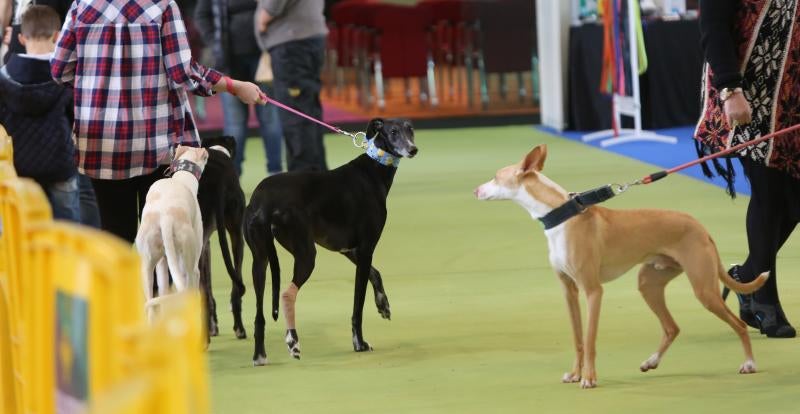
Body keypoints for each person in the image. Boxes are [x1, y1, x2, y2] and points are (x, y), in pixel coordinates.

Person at [51, 0, 266, 243]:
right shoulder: (162, 6)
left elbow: (59, 69)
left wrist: (94, 88)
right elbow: (182, 72)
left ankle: (120, 281)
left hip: (101, 141)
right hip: (155, 140)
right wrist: (234, 86)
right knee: (159, 238)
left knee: (115, 234)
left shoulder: (82, 5)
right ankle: (153, 283)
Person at [696, 0, 799, 338]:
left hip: (793, 93)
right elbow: (713, 24)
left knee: (795, 200)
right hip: (748, 92)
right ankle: (765, 298)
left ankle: (749, 275)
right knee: (768, 192)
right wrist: (729, 89)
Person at [0, 5, 79, 222]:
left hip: (20, 164)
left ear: (22, 38)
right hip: (60, 163)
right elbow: (74, 118)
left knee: (25, 226)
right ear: (57, 35)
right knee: (68, 224)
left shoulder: (3, 78)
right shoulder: (65, 77)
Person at [196, 0, 283, 176]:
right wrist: (215, 43)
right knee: (234, 124)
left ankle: (276, 173)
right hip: (229, 62)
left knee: (270, 120)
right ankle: (232, 176)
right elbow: (201, 16)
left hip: (264, 61)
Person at [255, 0, 328, 172]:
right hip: (306, 37)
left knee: (297, 118)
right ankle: (320, 182)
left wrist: (264, 16)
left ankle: (304, 185)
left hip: (292, 42)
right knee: (309, 114)